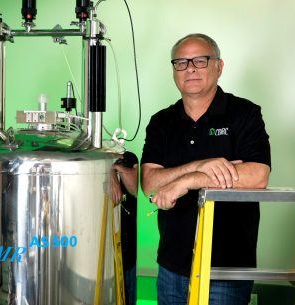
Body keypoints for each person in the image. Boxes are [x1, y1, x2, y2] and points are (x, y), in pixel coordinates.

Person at [140, 33, 271, 305]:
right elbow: (150, 183)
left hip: (228, 267)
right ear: (174, 71)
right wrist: (203, 165)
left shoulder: (244, 113)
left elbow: (257, 176)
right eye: (181, 62)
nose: (190, 68)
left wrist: (186, 181)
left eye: (200, 60)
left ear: (218, 67)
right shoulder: (161, 122)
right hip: (172, 265)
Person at [110, 151, 139, 305]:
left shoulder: (129, 158)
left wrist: (115, 169)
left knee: (127, 295)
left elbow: (134, 189)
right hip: (105, 254)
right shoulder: (91, 159)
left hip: (126, 252)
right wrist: (111, 172)